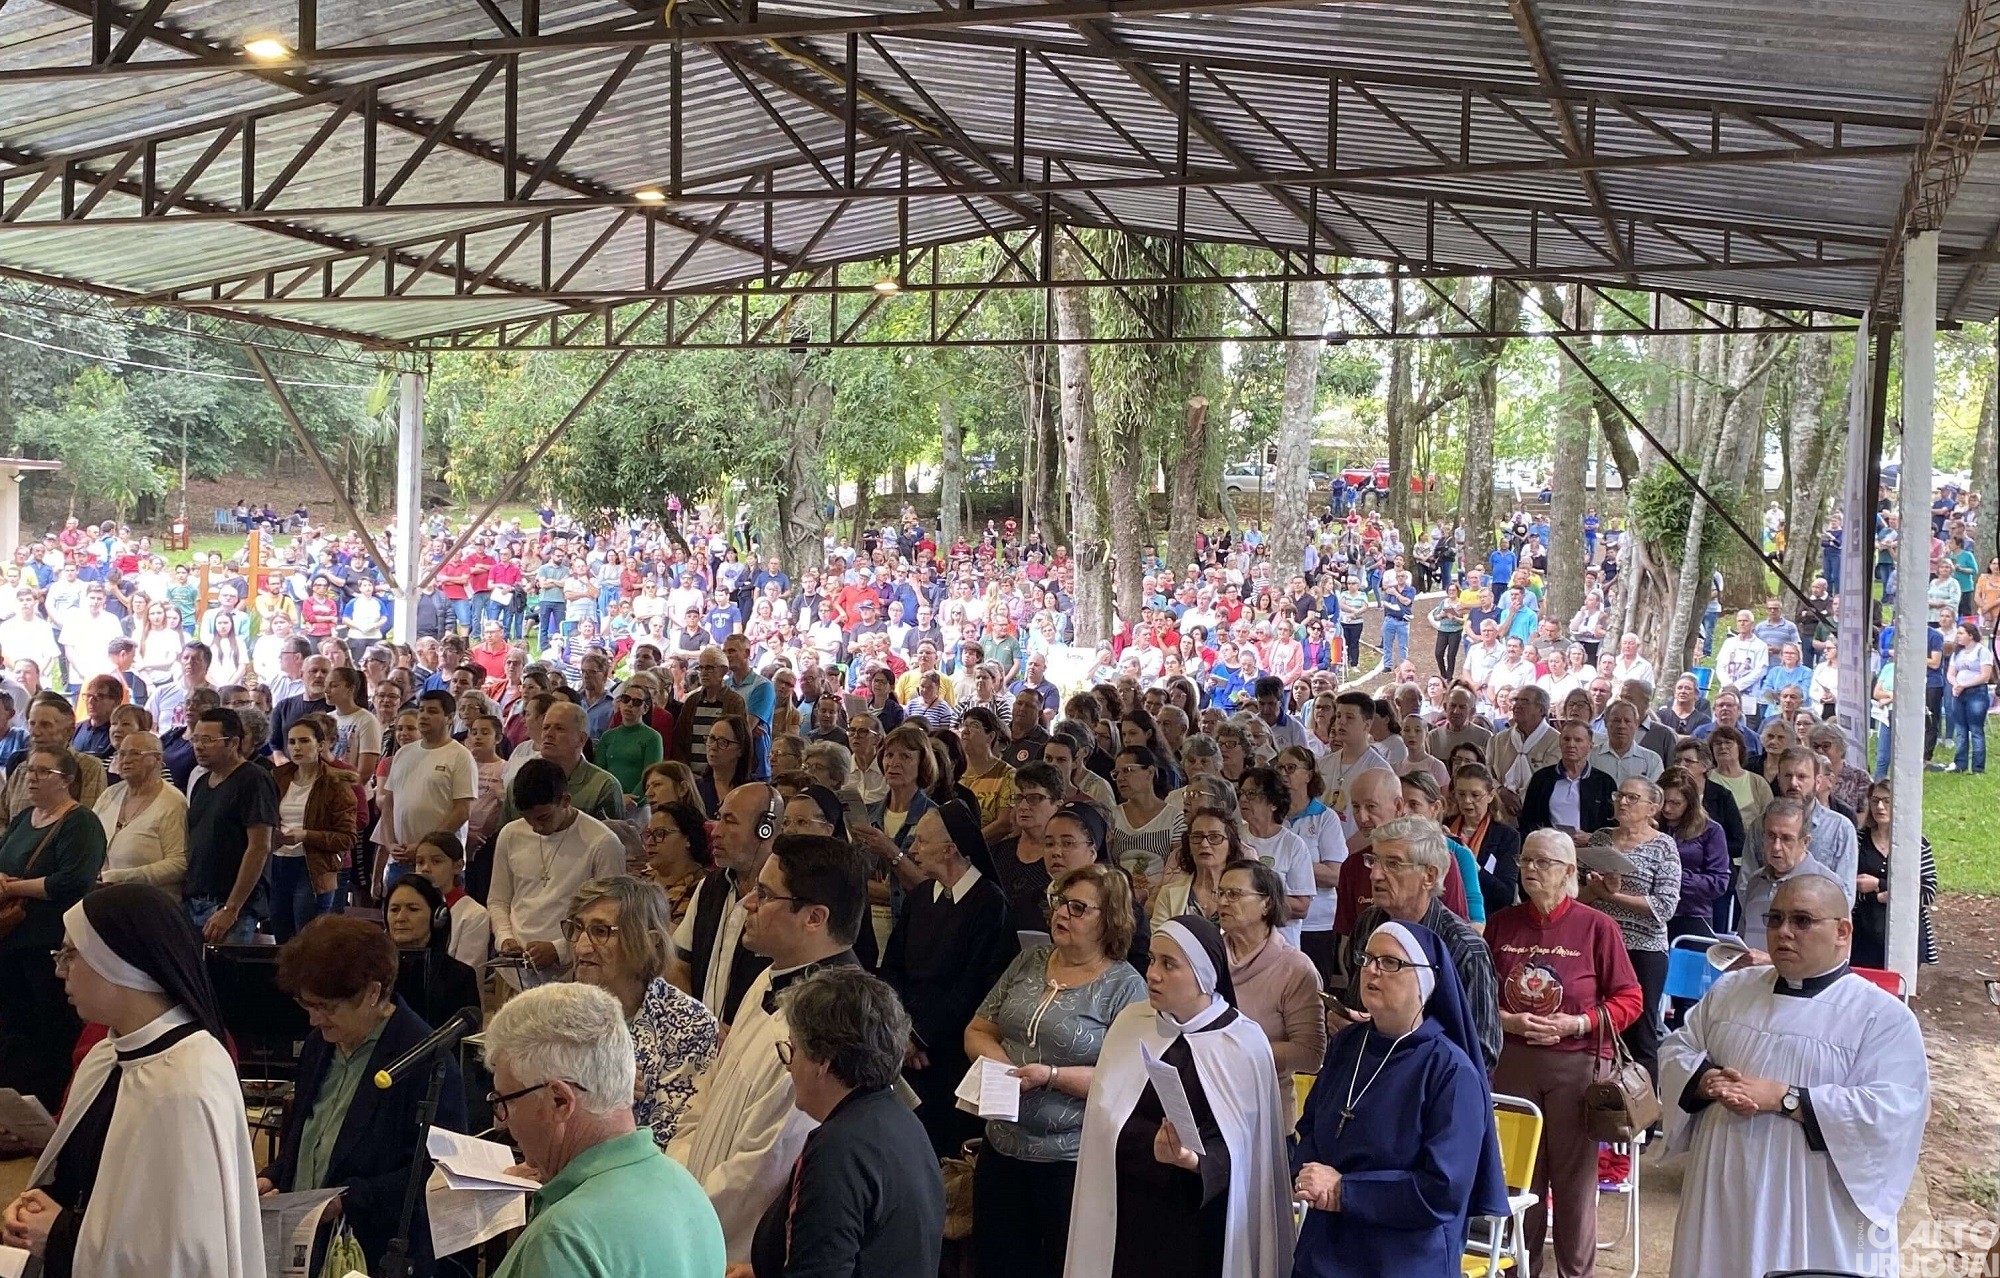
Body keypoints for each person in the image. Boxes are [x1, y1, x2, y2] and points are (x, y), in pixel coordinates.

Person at [1660, 874, 1930, 1278]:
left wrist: (1787, 1098)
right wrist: (1704, 1078)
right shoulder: (1732, 991)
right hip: (1724, 1186)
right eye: (1775, 919)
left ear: (1842, 931)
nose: (1783, 932)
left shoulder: (1881, 1017)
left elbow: (1895, 1111)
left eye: (1802, 921)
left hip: (1813, 1201)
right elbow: (1676, 1047)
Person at [0, 885, 261, 1277]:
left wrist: (57, 1234)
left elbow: (178, 1257)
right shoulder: (107, 1056)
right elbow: (82, 1179)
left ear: (118, 962)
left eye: (70, 954)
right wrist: (36, 1208)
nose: (58, 970)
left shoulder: (187, 1082)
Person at [669, 835, 872, 1261]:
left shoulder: (826, 1033)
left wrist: (677, 1217)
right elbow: (710, 1090)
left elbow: (763, 1171)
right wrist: (678, 1176)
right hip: (693, 1200)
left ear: (814, 917)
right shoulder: (768, 978)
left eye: (764, 894)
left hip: (733, 1245)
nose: (747, 903)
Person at [1065, 916, 1294, 1278]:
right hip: (1131, 1210)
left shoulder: (1242, 1043)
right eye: (1152, 960)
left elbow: (1249, 1149)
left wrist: (1192, 1160)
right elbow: (1104, 1118)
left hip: (1203, 1222)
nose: (1152, 974)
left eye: (1169, 964)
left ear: (1204, 975)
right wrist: (1147, 1143)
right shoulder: (1131, 1024)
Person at [1292, 920, 1510, 1278]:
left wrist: (1345, 1191)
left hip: (1404, 1258)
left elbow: (1444, 1188)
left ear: (1427, 982)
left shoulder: (1450, 1070)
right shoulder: (1349, 1045)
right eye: (1367, 958)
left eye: (1390, 962)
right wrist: (1309, 1176)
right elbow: (1312, 1124)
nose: (1372, 970)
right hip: (1327, 1244)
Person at [965, 864, 1147, 1278]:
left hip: (1070, 1160)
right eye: (1060, 903)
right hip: (1002, 1145)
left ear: (1110, 919)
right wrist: (1003, 1067)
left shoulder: (1125, 986)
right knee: (997, 1262)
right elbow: (978, 1030)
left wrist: (1049, 1076)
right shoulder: (1029, 960)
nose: (1062, 914)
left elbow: (1125, 1081)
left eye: (1079, 908)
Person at [262, 915, 468, 1274]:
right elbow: (312, 1131)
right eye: (306, 1005)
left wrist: (349, 1200)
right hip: (307, 1243)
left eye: (327, 1007)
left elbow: (436, 1175)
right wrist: (276, 1176)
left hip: (370, 1253)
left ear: (373, 993)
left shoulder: (424, 1061)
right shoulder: (320, 1044)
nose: (314, 1020)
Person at [485, 982, 727, 1278]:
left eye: (504, 1101)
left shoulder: (562, 1238)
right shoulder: (686, 1189)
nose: (500, 1121)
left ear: (559, 1101)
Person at [1484, 828, 1643, 1278]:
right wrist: (1507, 1020)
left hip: (1577, 1066)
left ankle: (1575, 1273)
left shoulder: (1596, 926)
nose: (1531, 870)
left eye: (1544, 863)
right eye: (1526, 860)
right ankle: (1518, 1269)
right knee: (1519, 1181)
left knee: (1573, 1186)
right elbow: (1476, 998)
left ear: (1570, 871)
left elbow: (1630, 998)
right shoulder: (1502, 924)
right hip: (1513, 1063)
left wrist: (1579, 1022)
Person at [749, 965, 946, 1278]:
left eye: (792, 1050)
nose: (789, 1067)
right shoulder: (902, 1120)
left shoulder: (838, 1151)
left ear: (823, 1061)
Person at [882, 800, 1017, 1156]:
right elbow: (893, 967)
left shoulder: (990, 904)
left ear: (950, 849)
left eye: (921, 842)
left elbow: (976, 987)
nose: (912, 850)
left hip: (952, 1054)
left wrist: (920, 1037)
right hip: (907, 1047)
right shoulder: (922, 897)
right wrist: (902, 1032)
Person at [1333, 815, 1502, 1071]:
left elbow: (1482, 1052)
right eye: (1374, 861)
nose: (1375, 874)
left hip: (1433, 1096)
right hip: (1366, 1079)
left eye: (1393, 863)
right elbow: (1360, 1004)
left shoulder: (1465, 948)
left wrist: (1388, 1044)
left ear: (1429, 876)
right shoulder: (1368, 925)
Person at [565, 876, 719, 1149]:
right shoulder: (558, 1011)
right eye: (577, 929)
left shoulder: (688, 1024)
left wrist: (608, 1104)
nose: (581, 946)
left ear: (649, 942)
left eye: (601, 932)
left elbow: (669, 1145)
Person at [0, 748, 109, 1107]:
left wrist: (12, 887)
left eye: (41, 772)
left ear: (66, 780)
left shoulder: (81, 822)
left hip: (50, 941)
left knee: (50, 1025)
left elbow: (73, 881)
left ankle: (48, 1104)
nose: (31, 778)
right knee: (14, 1025)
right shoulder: (23, 819)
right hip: (11, 941)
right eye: (29, 771)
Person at [488, 758, 627, 978]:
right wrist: (505, 938)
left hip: (573, 972)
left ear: (565, 800)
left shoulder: (603, 842)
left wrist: (559, 949)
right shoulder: (510, 834)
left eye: (543, 817)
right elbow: (498, 899)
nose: (536, 827)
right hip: (515, 973)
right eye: (527, 819)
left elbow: (613, 915)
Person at [1581, 776, 1681, 1076]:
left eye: (1632, 798)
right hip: (1598, 945)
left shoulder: (1664, 846)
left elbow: (1664, 908)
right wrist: (1596, 893)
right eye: (1619, 795)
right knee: (1596, 1029)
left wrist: (1614, 896)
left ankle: (1643, 1115)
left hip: (1643, 949)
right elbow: (1578, 897)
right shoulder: (1600, 838)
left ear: (1653, 807)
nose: (1622, 802)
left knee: (1640, 1035)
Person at [1216, 858, 1325, 1128]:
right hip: (1210, 1105)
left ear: (1266, 903)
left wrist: (1238, 1053)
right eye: (1220, 893)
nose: (1223, 902)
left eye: (1235, 894)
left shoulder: (1295, 969)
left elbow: (1311, 1054)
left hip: (1266, 1115)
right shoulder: (1207, 955)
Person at [671, 783, 783, 1026]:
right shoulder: (710, 886)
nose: (715, 832)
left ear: (765, 829)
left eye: (730, 821)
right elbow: (680, 964)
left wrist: (743, 1037)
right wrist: (697, 1023)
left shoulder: (787, 899)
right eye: (719, 818)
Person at [375, 689, 477, 895]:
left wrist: (424, 846)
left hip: (439, 861)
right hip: (401, 859)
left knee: (440, 922)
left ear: (449, 718)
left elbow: (462, 811)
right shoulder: (404, 753)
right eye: (421, 710)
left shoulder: (460, 756)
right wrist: (389, 843)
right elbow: (389, 802)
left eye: (432, 711)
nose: (424, 716)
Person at [270, 714, 360, 941]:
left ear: (320, 745)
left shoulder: (335, 783)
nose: (297, 747)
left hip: (313, 868)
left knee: (308, 939)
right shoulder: (278, 777)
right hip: (278, 863)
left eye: (304, 741)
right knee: (281, 937)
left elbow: (347, 838)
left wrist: (306, 835)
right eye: (291, 742)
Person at [1851, 781, 1939, 969]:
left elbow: (1927, 892)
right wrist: (1881, 896)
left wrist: (1879, 885)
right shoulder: (1858, 840)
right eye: (1874, 801)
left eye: (1886, 801)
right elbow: (1849, 887)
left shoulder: (1917, 843)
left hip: (1906, 933)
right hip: (1864, 933)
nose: (1879, 807)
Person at [384, 873, 483, 1032]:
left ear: (438, 917)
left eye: (412, 909)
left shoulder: (460, 977)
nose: (400, 918)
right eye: (394, 909)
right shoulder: (373, 975)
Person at [92, 729, 187, 895]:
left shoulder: (173, 803)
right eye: (121, 754)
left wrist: (121, 877)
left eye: (135, 754)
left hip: (150, 901)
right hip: (102, 896)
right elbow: (89, 839)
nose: (126, 760)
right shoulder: (110, 794)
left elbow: (179, 863)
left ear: (158, 758)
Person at [1519, 719, 1615, 838]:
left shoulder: (1604, 782)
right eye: (1566, 739)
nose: (1571, 744)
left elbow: (1612, 826)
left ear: (1590, 746)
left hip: (1590, 850)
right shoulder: (1542, 778)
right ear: (1559, 742)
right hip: (1550, 848)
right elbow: (1528, 819)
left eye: (1578, 740)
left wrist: (1592, 838)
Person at [410, 830, 493, 966]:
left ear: (458, 866)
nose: (425, 869)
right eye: (420, 862)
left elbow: (467, 971)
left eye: (436, 861)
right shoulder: (409, 907)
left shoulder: (474, 914)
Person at [1446, 763, 1520, 912]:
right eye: (1461, 794)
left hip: (1486, 913)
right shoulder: (1444, 826)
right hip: (1446, 908)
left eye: (1475, 795)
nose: (1467, 800)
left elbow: (1506, 894)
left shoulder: (1507, 836)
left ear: (1490, 796)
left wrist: (1474, 867)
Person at [600, 680, 666, 808]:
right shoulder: (608, 736)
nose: (629, 704)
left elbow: (650, 776)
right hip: (607, 802)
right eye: (625, 699)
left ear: (645, 708)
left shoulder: (653, 737)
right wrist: (613, 799)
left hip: (638, 806)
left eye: (637, 702)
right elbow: (599, 772)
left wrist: (631, 800)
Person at [1945, 620, 1992, 773]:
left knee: (1976, 730)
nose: (1957, 636)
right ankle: (1960, 764)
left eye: (1961, 633)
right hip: (1959, 693)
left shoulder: (1982, 651)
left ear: (1970, 635)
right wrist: (1956, 684)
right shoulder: (1957, 653)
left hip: (1976, 693)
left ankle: (1978, 767)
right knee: (1961, 730)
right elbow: (1950, 673)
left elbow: (1985, 675)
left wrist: (1965, 685)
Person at [697, 713, 756, 817]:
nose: (713, 747)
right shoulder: (696, 789)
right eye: (711, 739)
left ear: (741, 750)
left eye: (723, 742)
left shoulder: (754, 792)